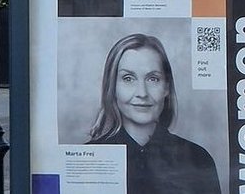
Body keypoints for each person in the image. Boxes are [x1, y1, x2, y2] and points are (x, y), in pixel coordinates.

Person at [88, 34, 220, 193]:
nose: (142, 93)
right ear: (112, 86)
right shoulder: (90, 159)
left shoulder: (198, 159)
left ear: (166, 87)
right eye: (128, 78)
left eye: (153, 79)